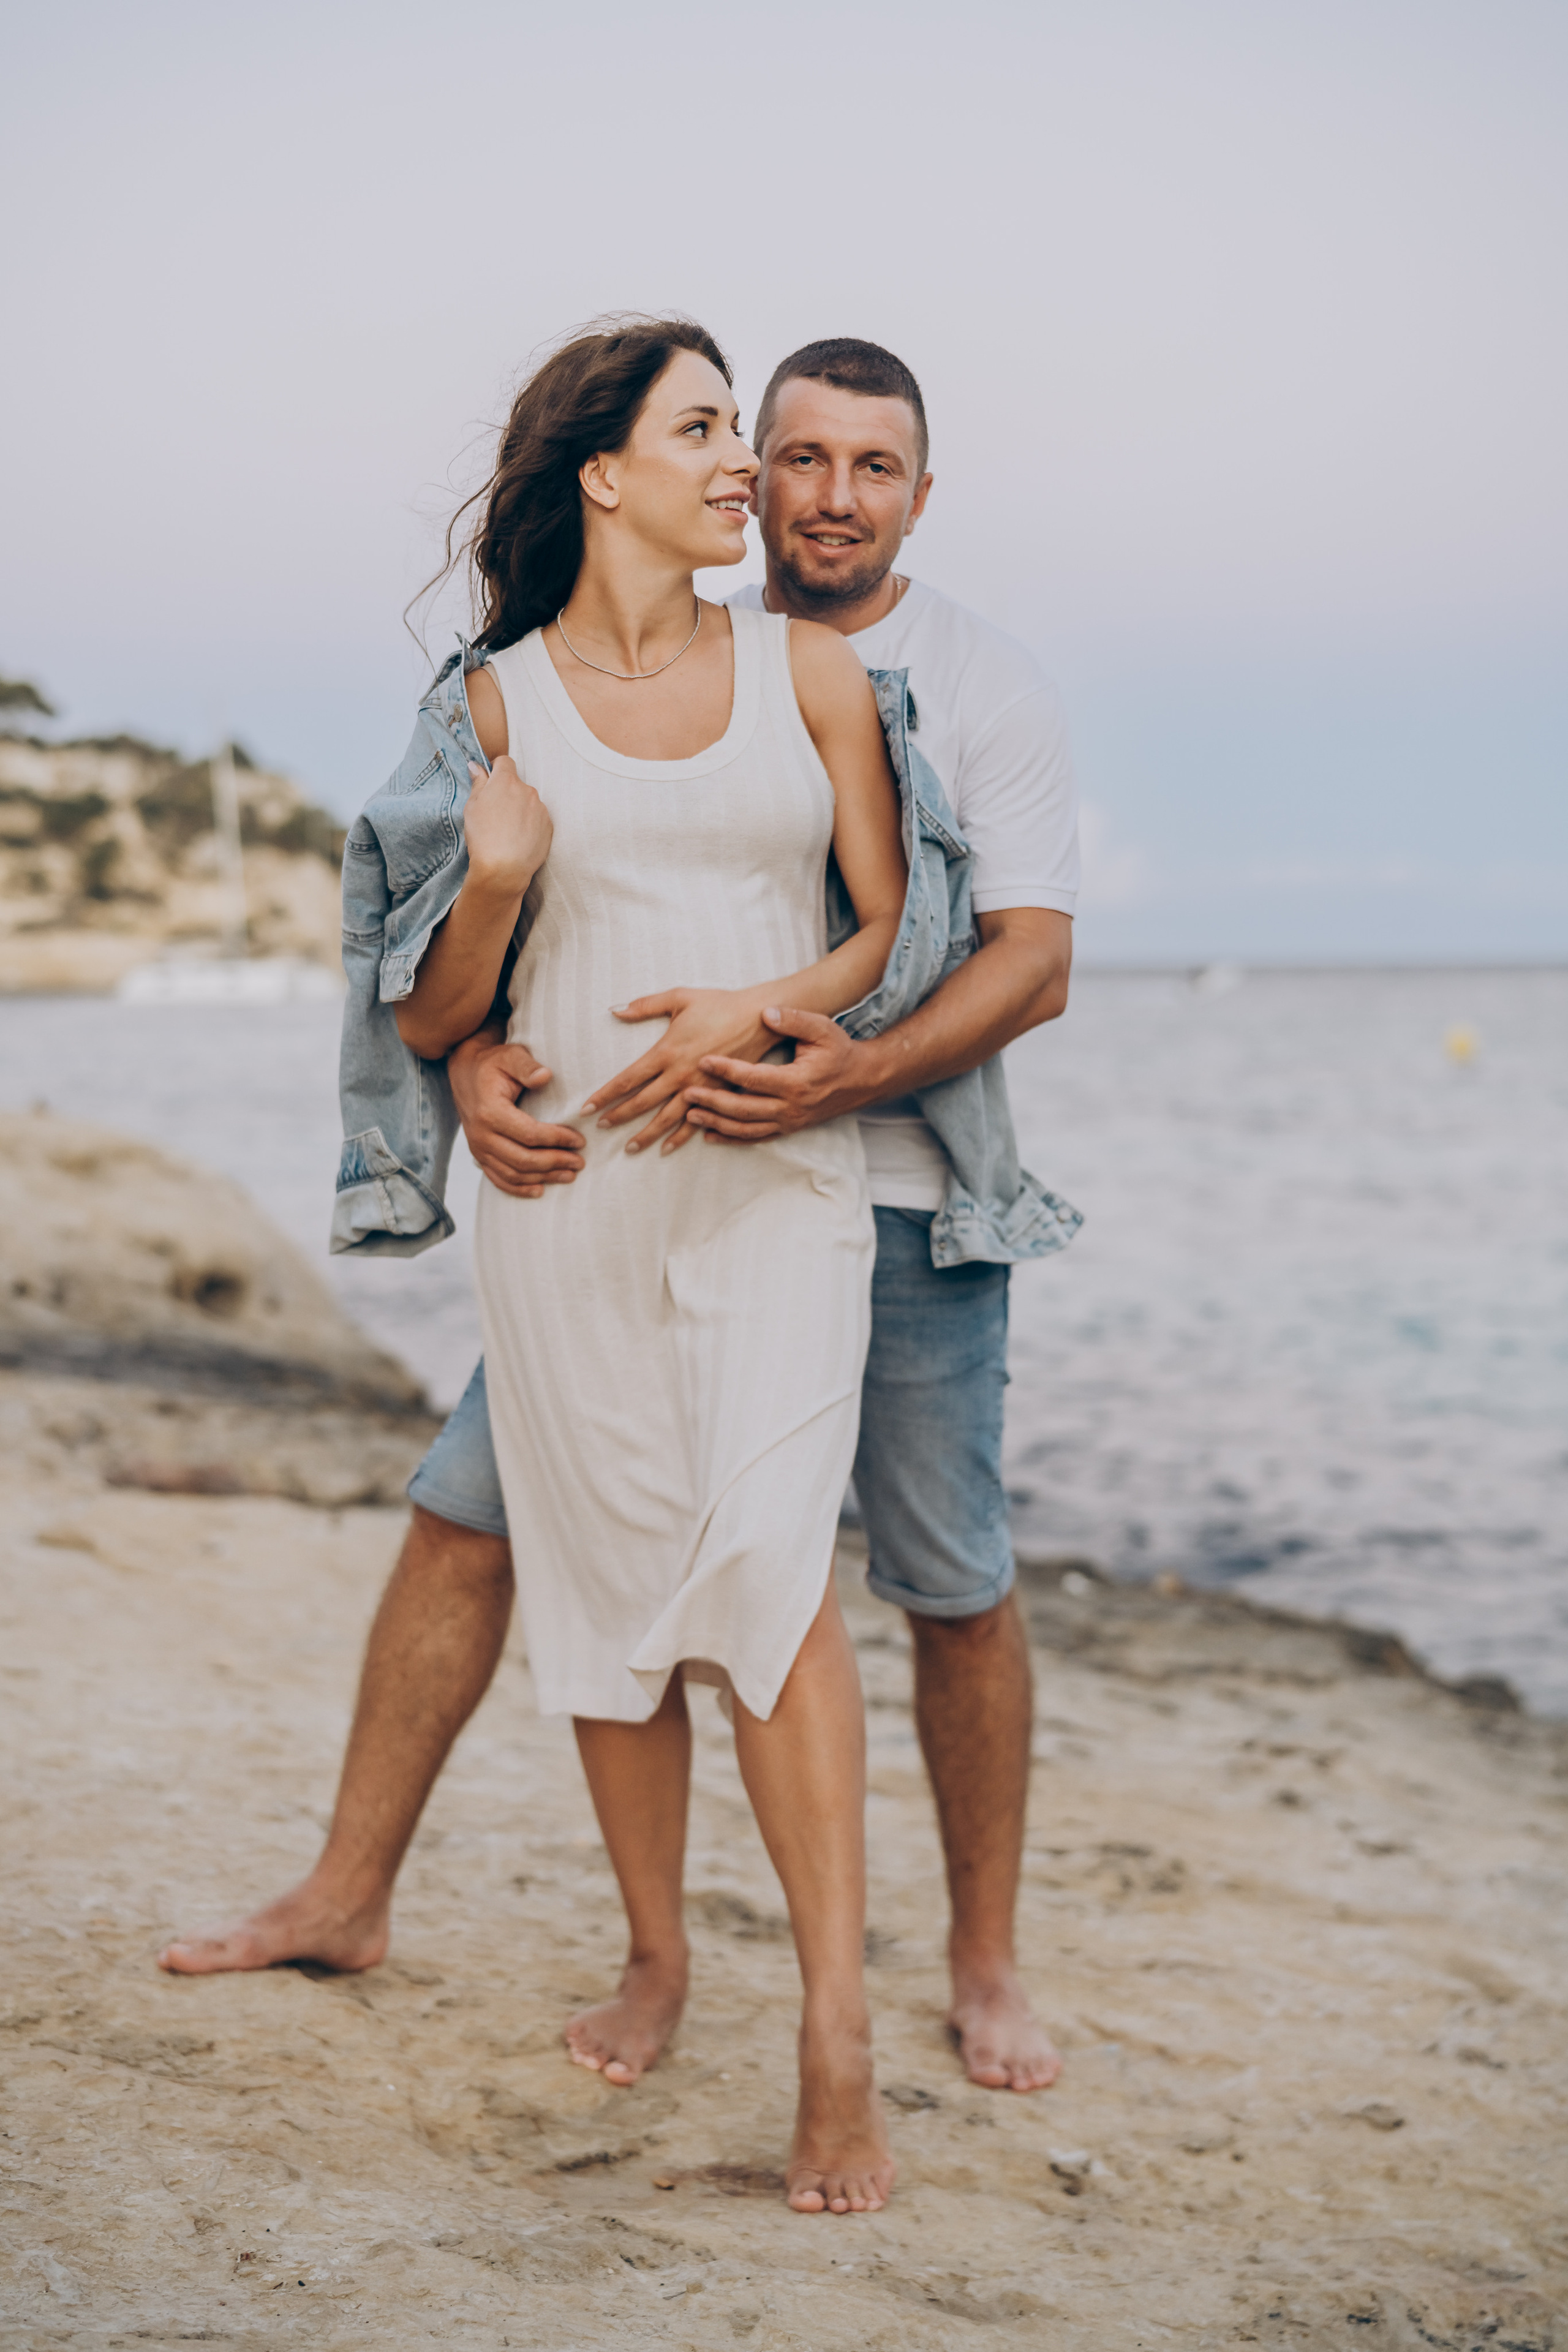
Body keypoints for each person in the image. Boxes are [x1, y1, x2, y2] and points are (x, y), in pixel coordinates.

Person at [161, 337, 1080, 2109]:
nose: (805, 488)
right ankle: (379, 1896)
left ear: (918, 491)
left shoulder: (951, 681)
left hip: (875, 1192)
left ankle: (969, 1968)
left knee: (932, 1577)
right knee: (487, 1529)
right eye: (770, 447)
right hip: (596, 1198)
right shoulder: (507, 691)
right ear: (640, 470)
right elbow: (450, 964)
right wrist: (476, 1054)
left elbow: (1017, 958)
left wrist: (821, 1072)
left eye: (859, 468)